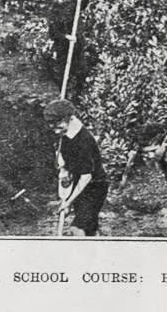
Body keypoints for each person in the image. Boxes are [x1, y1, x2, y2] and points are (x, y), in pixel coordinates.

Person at [45, 100, 108, 237]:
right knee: (89, 227)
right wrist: (64, 197)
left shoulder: (83, 141)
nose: (56, 131)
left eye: (58, 125)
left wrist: (69, 202)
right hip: (78, 184)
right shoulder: (65, 137)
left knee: (77, 229)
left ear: (70, 118)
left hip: (94, 187)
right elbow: (65, 171)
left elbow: (87, 176)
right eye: (52, 126)